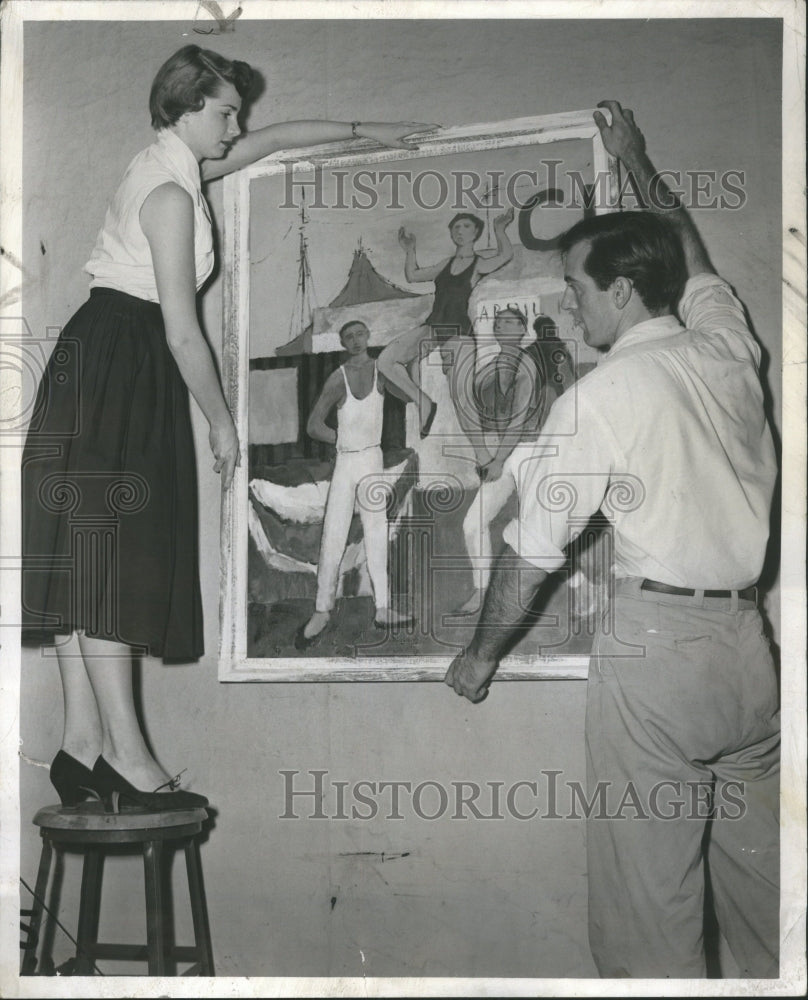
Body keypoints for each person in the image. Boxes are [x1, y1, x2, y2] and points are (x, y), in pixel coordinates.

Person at [20, 43, 433, 811]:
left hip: (103, 357)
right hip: (127, 358)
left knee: (91, 559)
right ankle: (129, 759)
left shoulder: (172, 164)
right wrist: (221, 424)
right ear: (182, 108)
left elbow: (274, 141)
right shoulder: (170, 194)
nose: (236, 124)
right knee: (109, 560)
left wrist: (366, 130)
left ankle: (81, 747)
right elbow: (182, 328)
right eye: (224, 111)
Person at [445, 101, 779, 978]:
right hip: (751, 658)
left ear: (621, 290)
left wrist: (479, 658)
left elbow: (528, 554)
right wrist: (635, 157)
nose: (568, 301)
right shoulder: (726, 345)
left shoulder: (601, 395)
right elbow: (690, 250)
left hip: (659, 659)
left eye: (578, 288)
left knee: (647, 918)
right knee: (765, 912)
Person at [296, 320, 415, 648]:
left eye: (359, 334)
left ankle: (383, 608)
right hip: (346, 462)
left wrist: (409, 360)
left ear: (368, 336)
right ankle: (322, 610)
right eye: (348, 337)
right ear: (343, 343)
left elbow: (409, 395)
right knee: (333, 535)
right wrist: (342, 439)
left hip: (372, 461)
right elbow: (313, 425)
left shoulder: (381, 371)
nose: (355, 340)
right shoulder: (338, 377)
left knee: (377, 534)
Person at [457, 308, 573, 614]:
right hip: (504, 453)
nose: (501, 324)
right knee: (473, 523)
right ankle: (481, 592)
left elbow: (519, 419)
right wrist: (485, 455)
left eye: (510, 321)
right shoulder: (489, 368)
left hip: (531, 451)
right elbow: (479, 414)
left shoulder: (528, 364)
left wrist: (496, 460)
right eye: (498, 321)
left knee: (545, 526)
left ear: (523, 329)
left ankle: (582, 587)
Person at [377, 208, 515, 457]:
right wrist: (410, 250)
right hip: (432, 327)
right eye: (456, 227)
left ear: (475, 232)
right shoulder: (446, 264)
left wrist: (500, 230)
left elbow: (505, 255)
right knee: (386, 360)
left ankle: (484, 458)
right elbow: (413, 275)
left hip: (458, 333)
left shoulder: (478, 263)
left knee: (463, 400)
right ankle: (423, 402)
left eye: (465, 227)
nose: (460, 231)